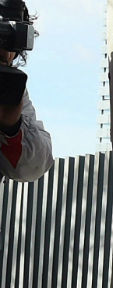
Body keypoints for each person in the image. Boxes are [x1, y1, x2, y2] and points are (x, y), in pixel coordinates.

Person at [0, 0, 51, 182]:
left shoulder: (9, 89)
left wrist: (11, 128)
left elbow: (33, 166)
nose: (7, 55)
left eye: (10, 43)